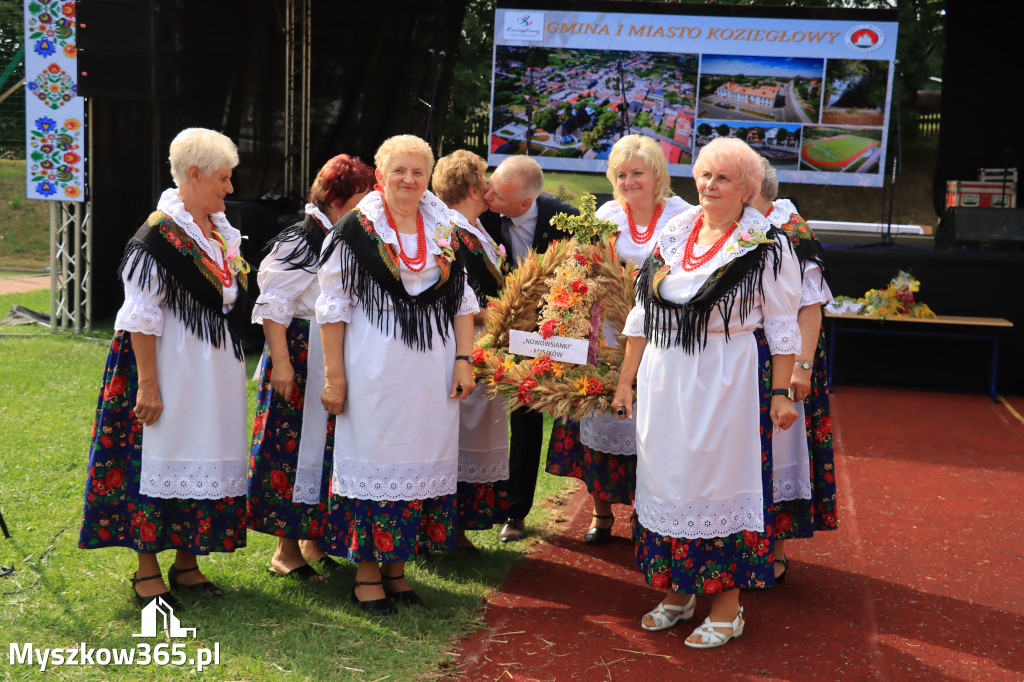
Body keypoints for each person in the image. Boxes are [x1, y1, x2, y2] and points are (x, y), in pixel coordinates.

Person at [611, 137, 802, 649]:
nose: (710, 185)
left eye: (723, 177)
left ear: (748, 187)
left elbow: (784, 327)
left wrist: (781, 392)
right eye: (703, 175)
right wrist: (626, 380)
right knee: (669, 481)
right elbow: (641, 313)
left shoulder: (768, 244)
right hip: (664, 375)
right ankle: (679, 592)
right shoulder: (676, 230)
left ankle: (727, 606)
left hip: (725, 378)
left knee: (717, 485)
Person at [79, 128, 249, 606]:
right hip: (165, 368)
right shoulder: (157, 237)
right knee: (155, 458)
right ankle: (147, 570)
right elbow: (141, 316)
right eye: (223, 178)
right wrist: (148, 385)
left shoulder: (218, 233)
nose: (229, 189)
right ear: (193, 175)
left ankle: (187, 562)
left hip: (207, 374)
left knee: (198, 455)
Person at [317, 134, 479, 616]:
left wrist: (464, 359)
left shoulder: (444, 226)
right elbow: (332, 308)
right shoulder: (354, 230)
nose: (409, 180)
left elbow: (463, 301)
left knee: (421, 459)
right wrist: (335, 377)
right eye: (399, 171)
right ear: (381, 175)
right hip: (374, 366)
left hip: (432, 370)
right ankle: (367, 575)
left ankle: (397, 570)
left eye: (418, 171)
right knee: (376, 458)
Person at [545, 134, 691, 546]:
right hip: (609, 332)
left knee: (655, 424)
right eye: (621, 174)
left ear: (657, 174)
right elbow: (581, 269)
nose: (629, 181)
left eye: (637, 173)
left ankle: (649, 512)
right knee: (603, 410)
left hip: (664, 335)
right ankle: (601, 511)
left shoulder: (684, 216)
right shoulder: (606, 215)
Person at [247, 153, 375, 581]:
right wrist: (281, 365)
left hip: (328, 355)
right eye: (361, 197)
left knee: (327, 448)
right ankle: (284, 551)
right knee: (290, 449)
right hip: (300, 356)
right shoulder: (302, 239)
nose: (368, 205)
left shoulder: (345, 235)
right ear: (336, 199)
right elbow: (273, 306)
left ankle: (312, 540)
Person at [479, 155, 576, 543]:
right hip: (489, 326)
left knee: (526, 417)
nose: (486, 196)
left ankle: (515, 513)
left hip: (543, 336)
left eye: (496, 194)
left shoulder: (566, 221)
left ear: (523, 204)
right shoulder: (482, 215)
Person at [751, 158, 838, 582]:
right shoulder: (737, 226)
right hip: (745, 358)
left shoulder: (792, 230)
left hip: (785, 361)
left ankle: (776, 549)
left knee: (782, 450)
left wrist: (799, 370)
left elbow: (811, 309)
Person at [432, 150, 511, 549]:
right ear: (471, 185)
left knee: (476, 430)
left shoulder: (477, 228)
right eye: (485, 175)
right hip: (463, 341)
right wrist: (497, 314)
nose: (491, 181)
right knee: (457, 431)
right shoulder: (449, 228)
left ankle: (458, 526)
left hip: (485, 340)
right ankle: (445, 527)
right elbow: (452, 293)